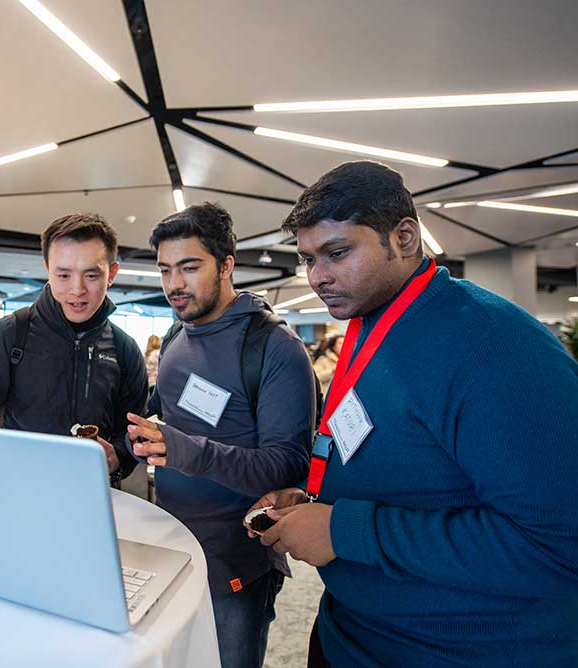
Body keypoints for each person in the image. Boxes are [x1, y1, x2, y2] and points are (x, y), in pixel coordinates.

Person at [248, 161, 578, 668]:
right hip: (356, 630)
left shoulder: (493, 347)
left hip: (453, 649)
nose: (318, 277)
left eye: (337, 253)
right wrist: (317, 499)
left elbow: (557, 546)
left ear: (403, 238)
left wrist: (347, 530)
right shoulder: (373, 319)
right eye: (308, 259)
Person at [125, 202, 316, 668]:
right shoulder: (176, 337)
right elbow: (167, 415)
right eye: (166, 270)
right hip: (171, 545)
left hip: (236, 562)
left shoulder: (274, 347)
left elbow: (289, 464)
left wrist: (185, 450)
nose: (174, 284)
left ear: (226, 265)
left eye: (189, 268)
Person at [0, 213, 148, 485]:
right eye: (63, 275)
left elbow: (132, 432)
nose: (77, 289)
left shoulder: (125, 350)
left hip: (92, 494)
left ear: (112, 274)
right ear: (47, 269)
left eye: (92, 275)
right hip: (15, 490)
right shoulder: (11, 334)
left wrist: (118, 456)